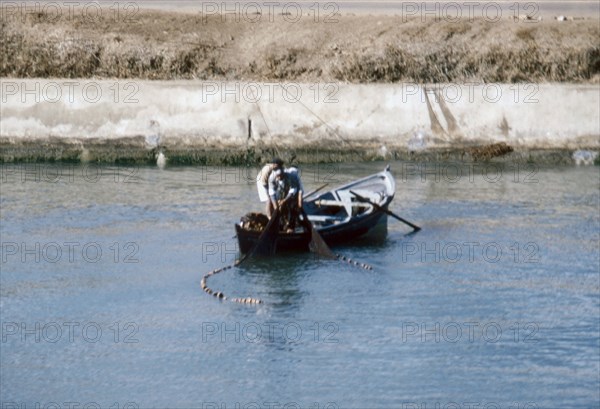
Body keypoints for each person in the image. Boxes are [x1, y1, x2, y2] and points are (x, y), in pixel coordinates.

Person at [268, 166, 304, 232]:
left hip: (293, 194)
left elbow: (298, 191)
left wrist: (299, 204)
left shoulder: (295, 178)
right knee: (280, 209)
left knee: (293, 207)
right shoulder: (275, 177)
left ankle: (291, 226)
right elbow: (273, 193)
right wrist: (278, 203)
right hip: (284, 193)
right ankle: (281, 225)